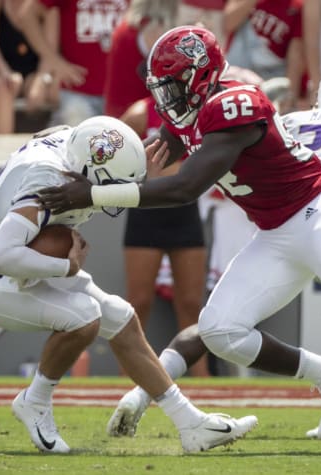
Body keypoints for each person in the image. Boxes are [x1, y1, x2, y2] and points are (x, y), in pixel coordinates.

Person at [38, 25, 321, 455]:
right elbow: (151, 150)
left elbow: (184, 188)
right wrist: (77, 155)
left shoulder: (236, 104)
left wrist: (94, 194)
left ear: (201, 77)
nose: (167, 99)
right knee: (219, 329)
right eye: (162, 88)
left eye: (174, 86)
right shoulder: (192, 109)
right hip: (276, 230)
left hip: (320, 212)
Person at [0, 115, 257, 453]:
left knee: (120, 316)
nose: (112, 194)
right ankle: (34, 401)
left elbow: (106, 150)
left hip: (17, 261)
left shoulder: (77, 147)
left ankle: (190, 424)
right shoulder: (46, 179)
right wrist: (64, 266)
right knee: (84, 316)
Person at [120, 96, 210, 377]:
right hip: (148, 207)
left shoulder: (199, 111)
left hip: (185, 206)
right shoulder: (139, 112)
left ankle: (201, 376)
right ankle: (130, 373)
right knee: (139, 300)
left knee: (191, 301)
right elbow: (110, 150)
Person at [16, 0, 128, 127]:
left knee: (126, 143)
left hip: (123, 94)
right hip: (78, 92)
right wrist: (53, 60)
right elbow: (26, 15)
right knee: (79, 140)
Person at [0, 0, 60, 133]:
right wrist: (5, 73)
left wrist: (41, 80)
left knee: (55, 90)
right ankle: (2, 146)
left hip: (32, 73)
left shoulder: (48, 5)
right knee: (3, 87)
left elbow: (50, 53)